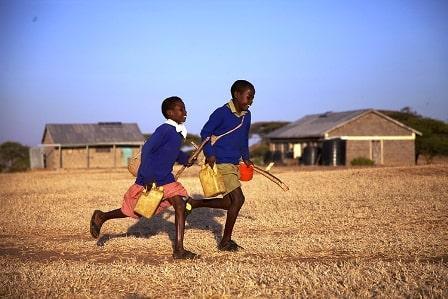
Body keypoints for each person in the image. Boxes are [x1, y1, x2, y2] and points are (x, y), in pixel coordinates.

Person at [90, 96, 197, 260]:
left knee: (180, 205)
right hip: (151, 177)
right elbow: (147, 149)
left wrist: (186, 159)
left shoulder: (177, 133)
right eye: (181, 109)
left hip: (166, 179)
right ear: (170, 113)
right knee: (132, 211)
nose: (185, 112)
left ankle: (179, 250)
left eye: (185, 109)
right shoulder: (165, 129)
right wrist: (147, 177)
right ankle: (102, 216)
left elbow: (172, 152)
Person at [187, 79, 255, 251]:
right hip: (221, 162)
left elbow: (243, 139)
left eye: (253, 98)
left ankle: (195, 203)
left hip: (234, 162)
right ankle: (225, 241)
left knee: (228, 203)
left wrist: (246, 157)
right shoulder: (221, 113)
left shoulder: (247, 116)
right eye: (248, 97)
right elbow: (205, 133)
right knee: (238, 200)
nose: (251, 101)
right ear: (237, 95)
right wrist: (209, 153)